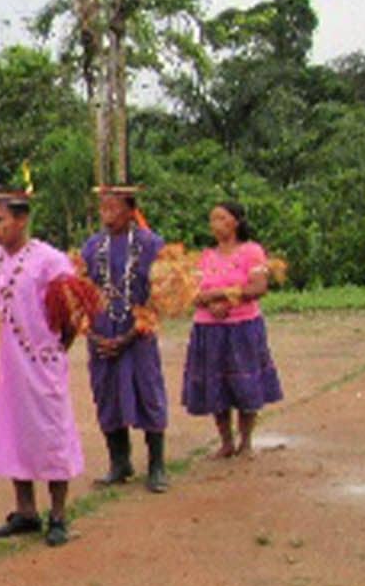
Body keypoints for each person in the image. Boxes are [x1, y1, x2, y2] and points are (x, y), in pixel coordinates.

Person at [0, 183, 91, 548]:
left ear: (22, 219)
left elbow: (71, 312)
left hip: (39, 361)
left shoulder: (50, 261)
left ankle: (58, 514)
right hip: (2, 366)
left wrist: (54, 349)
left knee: (51, 432)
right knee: (12, 432)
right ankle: (25, 510)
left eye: (1, 220)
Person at [83, 186, 171, 492]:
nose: (107, 215)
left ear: (130, 210)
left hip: (138, 333)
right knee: (107, 395)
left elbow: (161, 294)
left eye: (113, 208)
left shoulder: (151, 244)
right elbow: (81, 293)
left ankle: (157, 466)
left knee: (147, 391)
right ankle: (119, 463)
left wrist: (132, 333)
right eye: (103, 209)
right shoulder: (93, 247)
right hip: (101, 332)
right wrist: (93, 333)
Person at [182, 199, 285, 456]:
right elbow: (192, 291)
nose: (215, 224)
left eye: (221, 218)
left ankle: (246, 441)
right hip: (209, 328)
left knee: (245, 382)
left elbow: (258, 287)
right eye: (213, 219)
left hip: (242, 326)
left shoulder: (251, 252)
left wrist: (225, 298)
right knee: (216, 383)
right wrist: (210, 304)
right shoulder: (205, 257)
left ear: (236, 222)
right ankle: (226, 441)